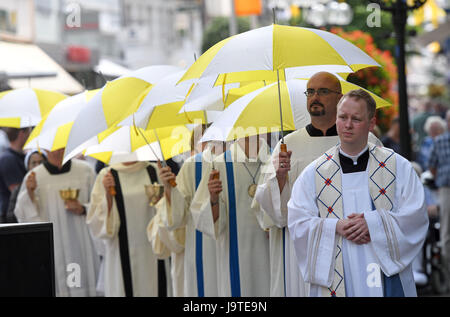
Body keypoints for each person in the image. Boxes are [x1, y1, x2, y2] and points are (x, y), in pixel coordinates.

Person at [287, 89, 429, 297]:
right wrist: (336, 226)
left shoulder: (397, 167)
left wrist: (373, 223)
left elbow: (416, 215)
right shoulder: (314, 172)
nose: (347, 125)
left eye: (356, 119)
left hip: (383, 271)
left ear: (371, 124)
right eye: (343, 117)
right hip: (337, 270)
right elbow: (297, 220)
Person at [254, 71, 382, 296]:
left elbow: (383, 190)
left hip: (356, 241)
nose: (315, 97)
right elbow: (274, 213)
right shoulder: (287, 145)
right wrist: (280, 178)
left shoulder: (367, 141)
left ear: (340, 98)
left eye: (323, 91)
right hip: (306, 249)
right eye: (310, 92)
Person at [191, 135, 271, 296]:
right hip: (235, 260)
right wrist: (213, 199)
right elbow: (203, 219)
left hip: (271, 255)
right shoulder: (220, 164)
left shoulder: (275, 160)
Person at [14, 148, 100, 297]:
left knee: (83, 283)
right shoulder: (35, 176)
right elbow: (23, 216)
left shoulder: (86, 171)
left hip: (83, 243)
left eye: (61, 146)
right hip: (55, 246)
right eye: (53, 147)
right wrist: (30, 194)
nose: (57, 150)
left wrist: (83, 208)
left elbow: (101, 206)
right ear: (45, 148)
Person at [87, 160, 172, 297]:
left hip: (153, 250)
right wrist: (108, 197)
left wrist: (166, 192)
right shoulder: (107, 175)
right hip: (120, 252)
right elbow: (97, 224)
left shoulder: (154, 170)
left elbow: (172, 211)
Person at [156, 125, 223, 296]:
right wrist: (169, 189)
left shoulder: (241, 160)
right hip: (203, 249)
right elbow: (177, 218)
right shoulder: (192, 166)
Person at [428, 109, 450, 275]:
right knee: (445, 231)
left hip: (445, 188)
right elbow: (432, 166)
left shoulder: (439, 141)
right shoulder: (440, 140)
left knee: (446, 230)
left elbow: (432, 167)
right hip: (445, 188)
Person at [5, 149, 46, 223]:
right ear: (28, 166)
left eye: (41, 162)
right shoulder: (19, 190)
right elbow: (11, 216)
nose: (37, 166)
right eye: (34, 163)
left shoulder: (50, 185)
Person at [0, 127, 31, 222]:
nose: (30, 135)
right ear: (21, 134)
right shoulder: (8, 159)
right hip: (10, 217)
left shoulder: (21, 156)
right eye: (28, 132)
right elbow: (17, 191)